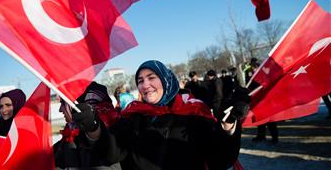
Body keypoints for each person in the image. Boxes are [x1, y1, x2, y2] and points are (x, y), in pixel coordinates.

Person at [72, 60, 250, 170]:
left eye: (151, 77)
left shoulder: (195, 112)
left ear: (166, 80)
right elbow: (111, 153)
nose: (145, 84)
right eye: (140, 81)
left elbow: (220, 161)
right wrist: (93, 126)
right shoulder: (133, 116)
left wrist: (230, 122)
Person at [54, 81, 121, 170]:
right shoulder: (70, 133)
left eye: (63, 102)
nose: (60, 109)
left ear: (79, 105)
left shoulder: (110, 137)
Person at [246, 58, 279, 144]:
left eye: (255, 67)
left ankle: (274, 137)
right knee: (259, 117)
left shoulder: (263, 73)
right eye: (252, 67)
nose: (253, 68)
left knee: (270, 119)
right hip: (257, 99)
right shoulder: (249, 73)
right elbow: (249, 85)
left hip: (265, 98)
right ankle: (261, 135)